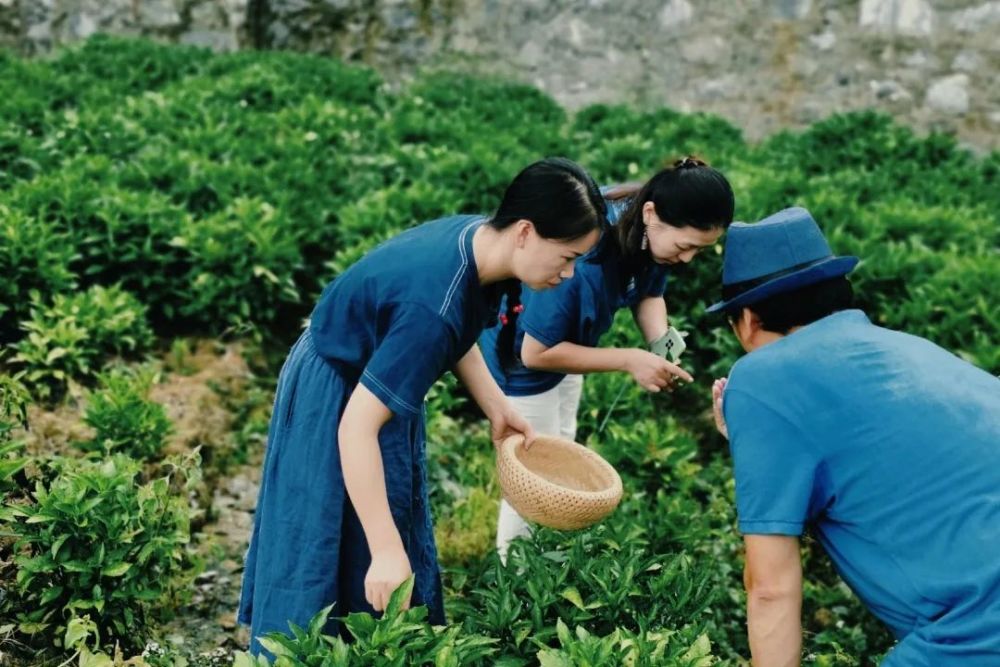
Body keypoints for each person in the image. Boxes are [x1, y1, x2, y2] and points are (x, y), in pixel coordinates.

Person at [237, 157, 607, 654]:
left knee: (378, 522)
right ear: (525, 232)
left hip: (375, 380)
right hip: (337, 389)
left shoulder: (481, 243)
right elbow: (356, 428)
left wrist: (496, 405)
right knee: (325, 539)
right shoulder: (432, 305)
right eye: (567, 257)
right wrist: (386, 551)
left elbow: (459, 329)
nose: (569, 273)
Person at [708, 207, 1000, 666]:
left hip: (976, 634)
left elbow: (770, 588)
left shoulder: (760, 377)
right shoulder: (910, 349)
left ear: (746, 320)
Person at [480, 156, 735, 559]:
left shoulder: (645, 232)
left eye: (698, 251)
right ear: (651, 213)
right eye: (685, 246)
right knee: (531, 479)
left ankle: (547, 549)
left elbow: (649, 292)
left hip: (569, 344)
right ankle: (514, 572)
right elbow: (535, 353)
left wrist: (660, 345)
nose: (687, 259)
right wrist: (629, 359)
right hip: (521, 362)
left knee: (560, 447)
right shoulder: (581, 264)